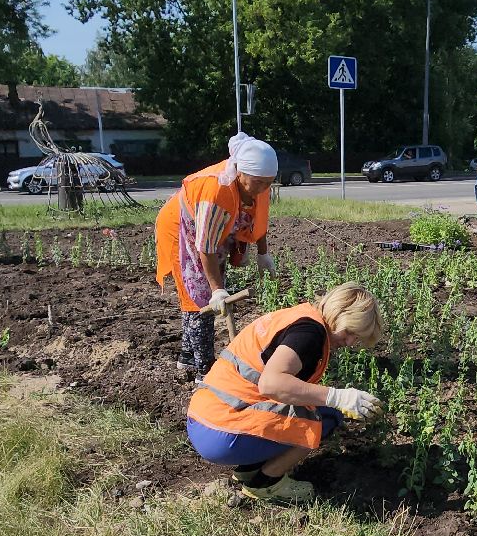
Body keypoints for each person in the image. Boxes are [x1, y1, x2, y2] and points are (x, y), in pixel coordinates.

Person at [186, 282, 387, 503]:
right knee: (324, 416)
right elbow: (271, 384)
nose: (349, 342)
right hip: (222, 433)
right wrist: (337, 397)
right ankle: (265, 483)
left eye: (356, 338)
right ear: (338, 312)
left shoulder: (300, 317)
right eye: (349, 332)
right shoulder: (310, 333)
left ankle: (251, 468)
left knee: (312, 405)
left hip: (204, 418)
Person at [155, 132, 279, 377]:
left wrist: (263, 254)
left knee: (206, 293)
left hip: (211, 231)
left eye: (270, 182)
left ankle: (188, 357)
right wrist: (216, 290)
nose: (265, 188)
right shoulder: (216, 192)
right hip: (181, 226)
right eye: (260, 182)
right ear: (240, 172)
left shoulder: (256, 183)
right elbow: (206, 248)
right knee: (200, 297)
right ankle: (205, 371)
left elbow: (259, 218)